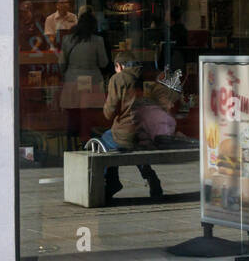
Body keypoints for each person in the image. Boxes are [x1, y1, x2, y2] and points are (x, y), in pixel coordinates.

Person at [100, 51, 173, 200]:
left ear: (118, 66)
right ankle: (151, 178)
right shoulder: (144, 77)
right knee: (135, 146)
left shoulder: (118, 78)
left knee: (105, 140)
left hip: (127, 134)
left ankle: (111, 182)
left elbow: (110, 112)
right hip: (146, 133)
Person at [58, 11, 109, 143]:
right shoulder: (98, 40)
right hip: (92, 80)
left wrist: (65, 74)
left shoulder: (67, 39)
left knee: (73, 112)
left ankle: (71, 140)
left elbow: (62, 63)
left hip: (72, 80)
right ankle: (87, 138)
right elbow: (103, 62)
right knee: (89, 112)